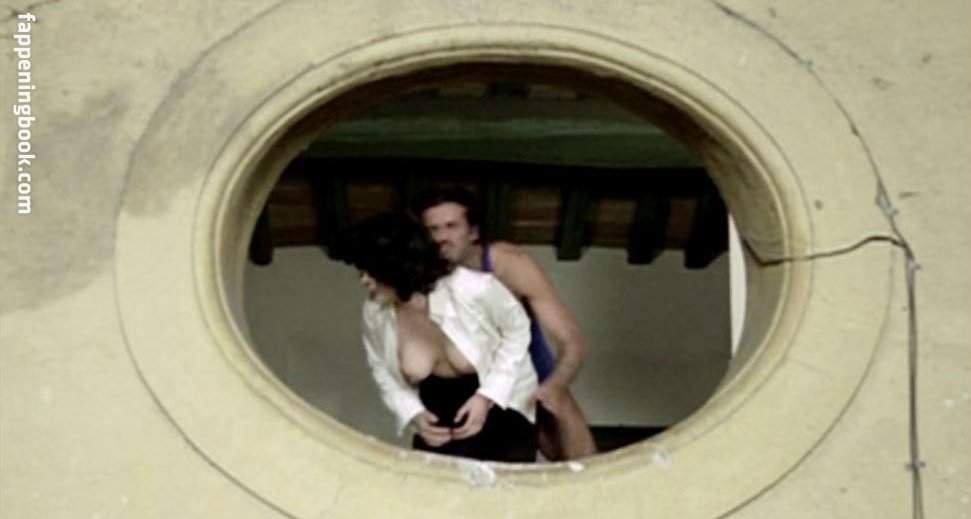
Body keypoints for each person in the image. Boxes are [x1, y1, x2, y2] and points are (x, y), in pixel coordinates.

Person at [330, 214, 538, 462]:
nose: (363, 280)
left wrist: (487, 396)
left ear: (395, 267)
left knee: (507, 481)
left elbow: (518, 330)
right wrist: (413, 413)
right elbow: (380, 367)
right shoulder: (375, 312)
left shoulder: (473, 288)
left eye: (369, 271)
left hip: (503, 407)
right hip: (438, 425)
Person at [413, 187, 598, 460]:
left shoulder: (511, 265)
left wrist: (557, 384)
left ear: (473, 232)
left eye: (451, 226)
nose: (441, 237)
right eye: (433, 229)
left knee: (570, 441)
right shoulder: (418, 272)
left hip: (524, 357)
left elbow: (571, 340)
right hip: (468, 369)